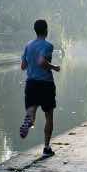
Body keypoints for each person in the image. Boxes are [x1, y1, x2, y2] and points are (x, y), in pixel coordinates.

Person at [19, 19, 60, 157]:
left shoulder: (28, 45)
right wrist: (54, 67)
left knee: (32, 110)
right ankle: (47, 148)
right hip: (45, 84)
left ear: (35, 30)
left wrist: (32, 64)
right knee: (49, 116)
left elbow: (23, 66)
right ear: (46, 30)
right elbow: (42, 61)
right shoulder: (48, 45)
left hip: (31, 83)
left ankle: (28, 120)